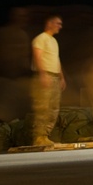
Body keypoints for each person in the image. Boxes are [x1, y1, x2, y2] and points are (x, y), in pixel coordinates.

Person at [29, 14, 65, 147]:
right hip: (44, 76)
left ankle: (45, 135)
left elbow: (56, 60)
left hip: (54, 76)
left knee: (53, 108)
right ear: (49, 23)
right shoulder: (40, 39)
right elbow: (37, 57)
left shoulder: (54, 41)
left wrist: (61, 77)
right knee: (43, 107)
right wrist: (42, 74)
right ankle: (38, 136)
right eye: (57, 23)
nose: (60, 26)